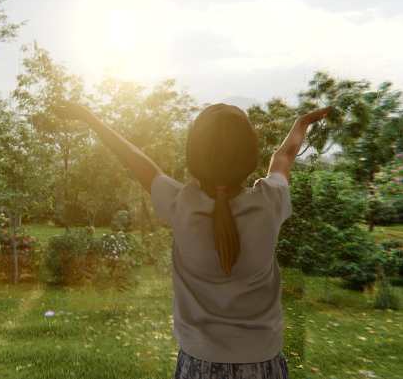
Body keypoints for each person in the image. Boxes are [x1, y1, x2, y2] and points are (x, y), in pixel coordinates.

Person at [53, 102, 331, 379]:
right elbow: (284, 157)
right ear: (248, 156)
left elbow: (134, 159)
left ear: (195, 156)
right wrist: (301, 123)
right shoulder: (270, 202)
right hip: (262, 363)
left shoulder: (181, 205)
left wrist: (89, 118)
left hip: (199, 366)